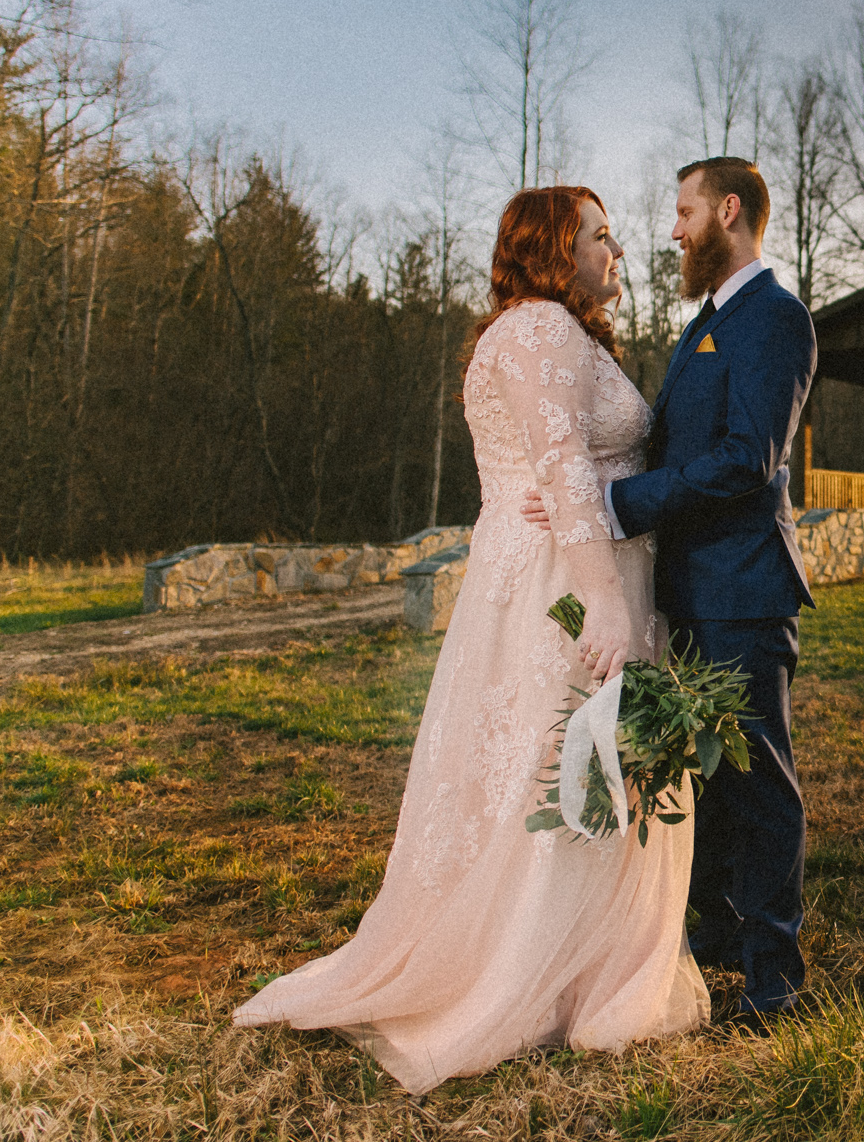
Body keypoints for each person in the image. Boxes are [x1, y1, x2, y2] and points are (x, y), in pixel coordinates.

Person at [233, 186, 708, 1094]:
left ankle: (575, 965)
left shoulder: (560, 333)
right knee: (552, 753)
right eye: (599, 237)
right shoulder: (535, 331)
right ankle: (521, 968)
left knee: (573, 756)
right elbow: (563, 462)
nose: (618, 252)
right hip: (560, 583)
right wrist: (605, 602)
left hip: (575, 566)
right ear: (553, 249)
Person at [522, 156, 817, 1027]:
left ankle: (776, 980)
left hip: (742, 588)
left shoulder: (775, 317)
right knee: (711, 782)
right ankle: (721, 938)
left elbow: (743, 461)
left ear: (728, 211)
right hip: (688, 588)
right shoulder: (706, 324)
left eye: (685, 212)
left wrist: (611, 503)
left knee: (759, 781)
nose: (674, 230)